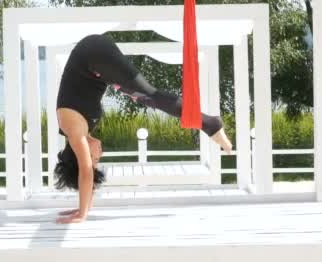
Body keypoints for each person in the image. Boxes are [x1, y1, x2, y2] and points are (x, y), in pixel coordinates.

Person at [54, 34, 232, 224]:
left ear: (78, 154)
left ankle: (210, 124)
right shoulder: (82, 128)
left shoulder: (73, 129)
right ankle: (209, 123)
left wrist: (82, 215)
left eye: (94, 158)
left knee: (150, 95)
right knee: (146, 97)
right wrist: (84, 206)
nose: (99, 155)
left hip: (92, 54)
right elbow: (87, 172)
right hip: (96, 64)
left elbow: (86, 171)